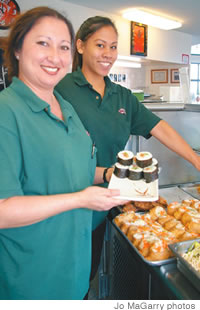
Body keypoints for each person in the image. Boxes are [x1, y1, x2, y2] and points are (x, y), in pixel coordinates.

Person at [56, 16, 200, 284]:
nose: (107, 54)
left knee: (83, 280)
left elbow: (160, 127)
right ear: (80, 45)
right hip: (63, 204)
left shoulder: (122, 96)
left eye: (113, 47)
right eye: (100, 45)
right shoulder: (61, 89)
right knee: (55, 283)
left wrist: (195, 159)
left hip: (103, 206)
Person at [0, 8, 127, 300]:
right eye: (43, 43)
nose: (55, 56)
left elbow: (77, 170)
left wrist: (110, 174)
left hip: (75, 272)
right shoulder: (6, 112)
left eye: (64, 47)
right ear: (18, 48)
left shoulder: (64, 107)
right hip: (32, 281)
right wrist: (80, 199)